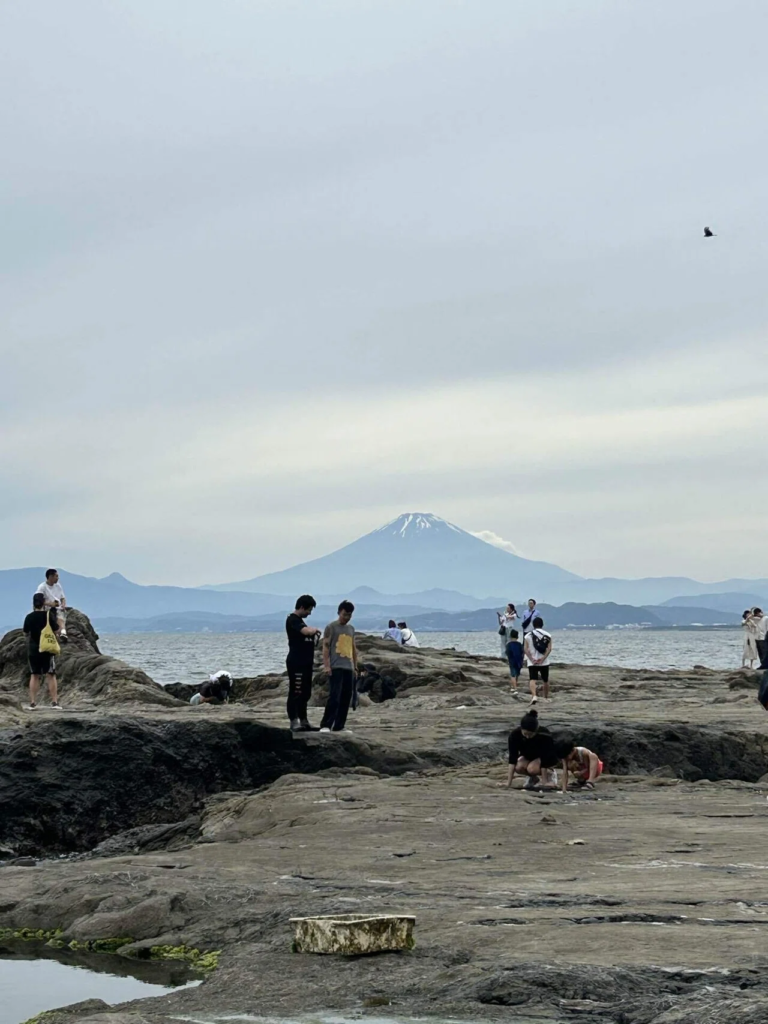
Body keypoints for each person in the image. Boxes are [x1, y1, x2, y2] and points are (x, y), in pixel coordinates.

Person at [321, 600, 358, 733]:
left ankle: (339, 726)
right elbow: (325, 647)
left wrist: (355, 666)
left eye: (349, 615)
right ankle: (326, 725)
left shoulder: (351, 629)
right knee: (334, 696)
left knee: (346, 697)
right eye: (344, 615)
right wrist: (327, 665)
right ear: (339, 612)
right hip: (336, 666)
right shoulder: (331, 627)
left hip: (348, 667)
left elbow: (353, 648)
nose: (347, 617)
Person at [285, 595, 321, 732]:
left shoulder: (301, 621)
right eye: (309, 610)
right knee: (296, 691)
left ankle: (304, 720)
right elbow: (305, 631)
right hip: (296, 662)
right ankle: (294, 721)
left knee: (306, 692)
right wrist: (314, 630)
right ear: (301, 607)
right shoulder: (293, 620)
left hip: (306, 662)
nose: (309, 613)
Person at [499, 709, 557, 790]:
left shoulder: (544, 735)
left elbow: (545, 758)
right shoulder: (515, 735)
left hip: (545, 758)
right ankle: (533, 778)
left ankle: (550, 774)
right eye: (525, 734)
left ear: (536, 731)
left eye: (530, 734)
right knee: (518, 767)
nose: (527, 737)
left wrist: (545, 782)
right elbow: (512, 759)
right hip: (528, 755)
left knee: (532, 769)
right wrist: (508, 783)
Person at [23, 593, 62, 709]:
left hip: (34, 649)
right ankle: (54, 702)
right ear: (44, 602)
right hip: (47, 648)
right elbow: (56, 630)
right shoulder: (48, 616)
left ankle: (33, 702)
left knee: (34, 675)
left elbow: (25, 632)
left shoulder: (29, 617)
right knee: (51, 674)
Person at [524, 616, 552, 703]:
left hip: (532, 662)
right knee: (545, 680)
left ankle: (534, 696)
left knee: (532, 679)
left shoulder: (528, 635)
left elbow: (525, 649)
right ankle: (545, 697)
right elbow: (549, 648)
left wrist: (531, 659)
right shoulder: (548, 635)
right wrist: (543, 658)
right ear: (542, 624)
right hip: (544, 662)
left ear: (533, 625)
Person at [37, 568, 68, 641]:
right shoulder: (42, 587)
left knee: (60, 618)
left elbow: (62, 597)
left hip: (58, 608)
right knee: (54, 620)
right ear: (50, 576)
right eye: (56, 576)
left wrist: (63, 605)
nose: (58, 578)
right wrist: (51, 604)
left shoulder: (58, 586)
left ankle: (63, 633)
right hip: (47, 609)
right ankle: (57, 634)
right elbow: (39, 601)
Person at [505, 628, 524, 697]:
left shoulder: (508, 645)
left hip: (512, 661)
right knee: (517, 674)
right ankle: (514, 686)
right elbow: (522, 652)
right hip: (519, 661)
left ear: (510, 636)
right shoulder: (519, 644)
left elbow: (507, 653)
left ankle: (515, 688)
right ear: (517, 636)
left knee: (513, 674)